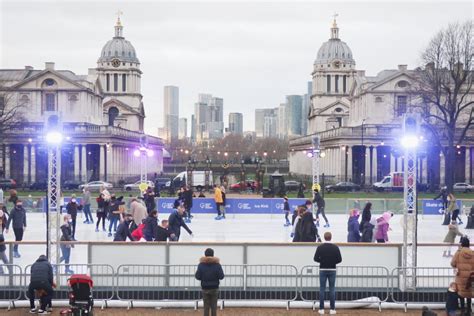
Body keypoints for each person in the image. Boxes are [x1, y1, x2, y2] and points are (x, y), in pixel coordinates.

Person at [313, 232, 342, 315]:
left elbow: (315, 258)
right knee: (332, 289)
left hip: (322, 269)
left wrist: (322, 261)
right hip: (332, 269)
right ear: (331, 237)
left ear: (324, 237)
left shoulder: (320, 247)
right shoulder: (335, 247)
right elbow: (339, 259)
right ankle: (332, 309)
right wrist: (332, 262)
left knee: (322, 289)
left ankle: (321, 309)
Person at [195, 248, 225, 316]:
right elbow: (221, 276)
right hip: (214, 288)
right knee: (214, 307)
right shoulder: (217, 265)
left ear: (205, 255)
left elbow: (197, 276)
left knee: (206, 307)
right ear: (213, 255)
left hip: (205, 288)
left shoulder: (201, 265)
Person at [451, 236, 473, 315]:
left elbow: (452, 263)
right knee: (469, 293)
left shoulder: (458, 252)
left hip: (460, 277)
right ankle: (469, 311)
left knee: (461, 293)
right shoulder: (473, 253)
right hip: (470, 278)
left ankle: (462, 310)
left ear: (462, 244)